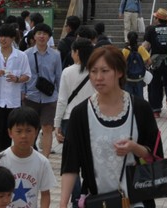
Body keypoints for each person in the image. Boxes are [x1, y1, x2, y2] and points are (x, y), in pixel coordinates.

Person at [60, 46, 164, 207]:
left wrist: (134, 147)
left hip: (137, 201)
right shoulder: (80, 114)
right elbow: (70, 164)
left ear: (120, 72)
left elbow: (156, 157)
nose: (98, 77)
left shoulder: (140, 109)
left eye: (105, 71)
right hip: (97, 201)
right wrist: (62, 204)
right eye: (93, 71)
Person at [0, 106, 54, 208]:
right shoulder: (0, 160)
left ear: (36, 132)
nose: (24, 136)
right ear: (10, 132)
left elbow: (45, 194)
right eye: (19, 131)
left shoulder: (43, 162)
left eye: (28, 130)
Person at [0, 23, 31, 158]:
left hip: (12, 100)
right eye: (1, 36)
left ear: (13, 38)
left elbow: (27, 75)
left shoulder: (21, 56)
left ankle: (7, 158)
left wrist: (17, 79)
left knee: (9, 131)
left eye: (6, 36)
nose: (3, 39)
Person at [55, 38, 95, 208]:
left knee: (71, 162)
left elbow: (62, 100)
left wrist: (57, 123)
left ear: (77, 52)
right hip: (91, 118)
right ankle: (88, 194)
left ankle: (76, 199)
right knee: (89, 158)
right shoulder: (95, 71)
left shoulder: (68, 72)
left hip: (69, 119)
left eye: (72, 51)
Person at [23, 23, 62, 159]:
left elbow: (58, 76)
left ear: (49, 37)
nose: (41, 36)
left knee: (47, 127)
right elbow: (23, 75)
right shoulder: (26, 54)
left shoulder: (56, 55)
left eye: (45, 34)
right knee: (29, 128)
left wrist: (60, 95)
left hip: (49, 98)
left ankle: (45, 158)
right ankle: (28, 156)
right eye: (39, 33)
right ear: (34, 36)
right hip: (31, 96)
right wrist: (22, 92)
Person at [142, 8, 167, 117]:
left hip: (155, 62)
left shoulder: (152, 30)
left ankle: (156, 111)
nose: (154, 19)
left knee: (155, 85)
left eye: (155, 17)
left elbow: (145, 46)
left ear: (158, 19)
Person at [121, 31, 150, 102]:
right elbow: (149, 61)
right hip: (139, 78)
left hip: (128, 78)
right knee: (139, 99)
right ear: (137, 39)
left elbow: (120, 64)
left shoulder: (125, 51)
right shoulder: (141, 49)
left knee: (128, 99)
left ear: (128, 39)